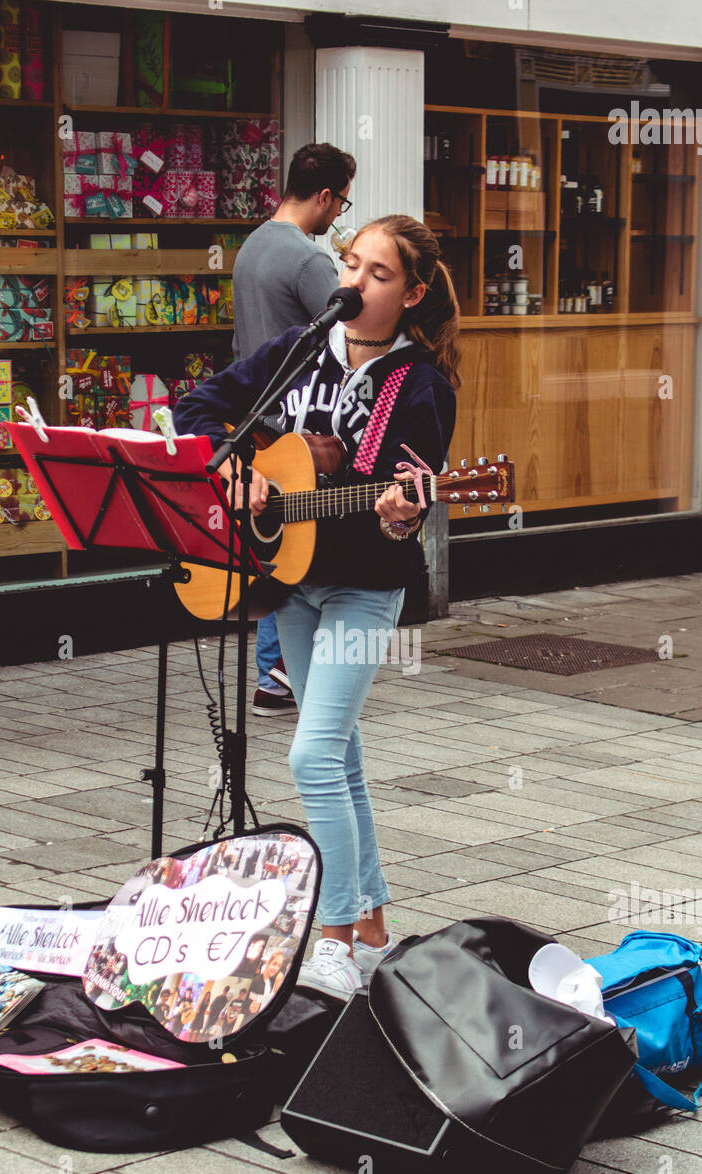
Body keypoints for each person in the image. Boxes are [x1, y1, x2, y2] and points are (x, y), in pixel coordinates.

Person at [174, 215, 459, 1000]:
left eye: (377, 274)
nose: (353, 283)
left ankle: (331, 938)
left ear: (413, 293)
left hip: (364, 585)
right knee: (341, 754)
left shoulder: (420, 386)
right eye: (350, 265)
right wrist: (234, 472)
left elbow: (402, 490)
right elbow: (197, 407)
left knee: (312, 755)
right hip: (285, 578)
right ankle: (371, 928)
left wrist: (405, 510)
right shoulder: (300, 351)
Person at [232, 142, 356, 717]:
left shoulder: (252, 245)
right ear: (325, 195)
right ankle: (282, 675)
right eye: (342, 203)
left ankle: (272, 675)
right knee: (302, 540)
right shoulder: (310, 262)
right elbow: (344, 339)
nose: (339, 216)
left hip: (258, 416)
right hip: (302, 422)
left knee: (275, 538)